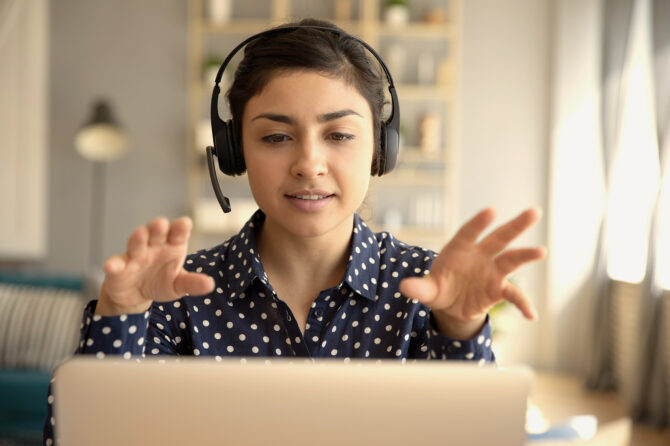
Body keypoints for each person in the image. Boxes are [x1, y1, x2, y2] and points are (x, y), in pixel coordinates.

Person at [43, 18, 545, 445]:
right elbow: (83, 438)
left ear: (380, 150)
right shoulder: (176, 293)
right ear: (235, 152)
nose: (309, 163)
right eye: (276, 136)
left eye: (340, 135)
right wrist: (119, 317)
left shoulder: (426, 289)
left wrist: (457, 329)